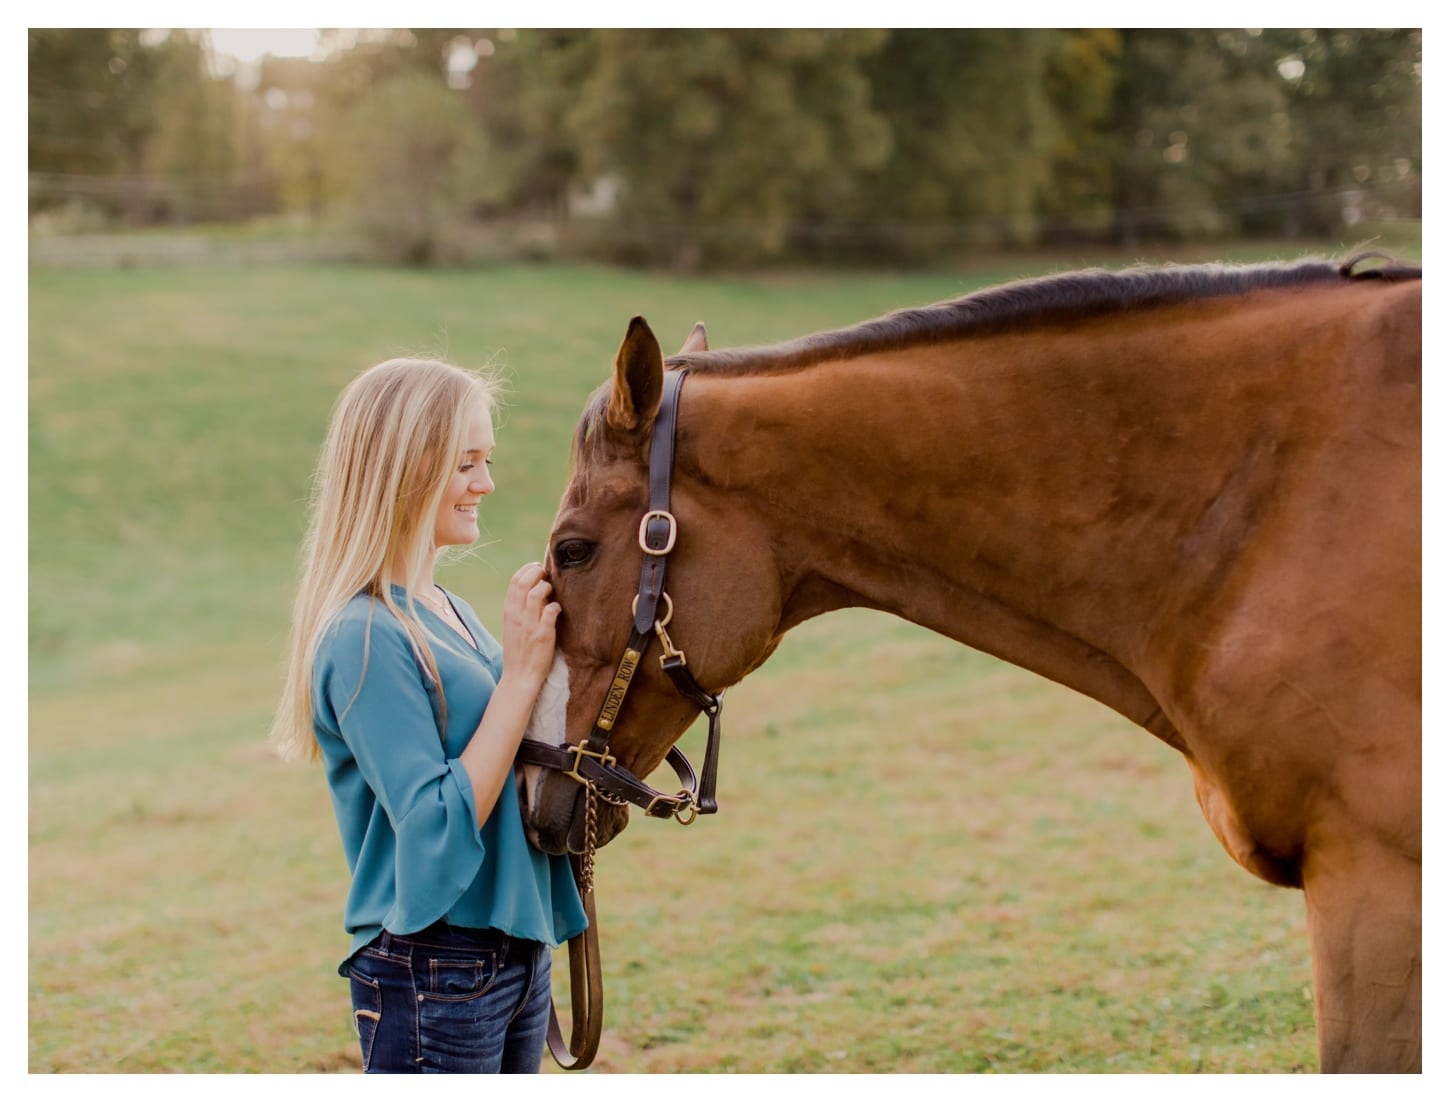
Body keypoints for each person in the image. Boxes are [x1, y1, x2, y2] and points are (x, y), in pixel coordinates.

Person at [270, 357, 586, 1073]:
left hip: (510, 950)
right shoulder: (364, 637)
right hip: (433, 964)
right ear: (405, 470)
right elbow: (435, 824)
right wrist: (521, 674)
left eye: (487, 460)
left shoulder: (452, 613)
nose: (487, 483)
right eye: (465, 463)